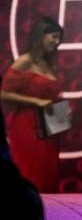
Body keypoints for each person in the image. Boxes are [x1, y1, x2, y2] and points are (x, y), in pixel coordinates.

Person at [1, 16, 66, 193]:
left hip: (50, 125)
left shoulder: (49, 64)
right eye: (53, 36)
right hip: (27, 126)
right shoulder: (25, 61)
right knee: (31, 172)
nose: (57, 42)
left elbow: (53, 96)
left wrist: (62, 114)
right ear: (40, 35)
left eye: (58, 38)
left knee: (49, 172)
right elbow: (4, 94)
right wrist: (36, 101)